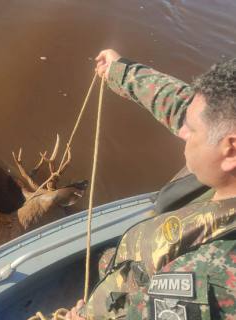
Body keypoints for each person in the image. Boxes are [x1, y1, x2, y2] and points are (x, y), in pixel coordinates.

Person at [65, 49, 236, 320]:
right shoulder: (224, 155)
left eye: (191, 131)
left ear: (231, 150)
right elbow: (183, 108)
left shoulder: (207, 280)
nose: (182, 133)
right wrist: (121, 71)